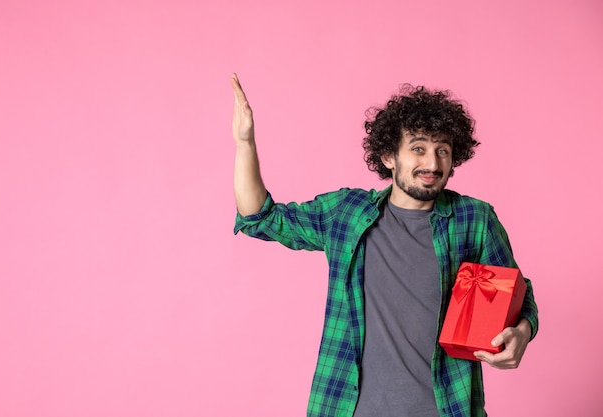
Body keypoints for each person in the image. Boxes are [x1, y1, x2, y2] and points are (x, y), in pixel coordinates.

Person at [230, 73, 538, 417]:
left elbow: (518, 296)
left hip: (447, 407)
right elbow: (260, 217)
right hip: (348, 408)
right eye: (418, 148)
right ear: (389, 157)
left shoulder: (474, 220)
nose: (432, 164)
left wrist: (522, 332)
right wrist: (245, 143)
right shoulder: (346, 213)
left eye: (443, 151)